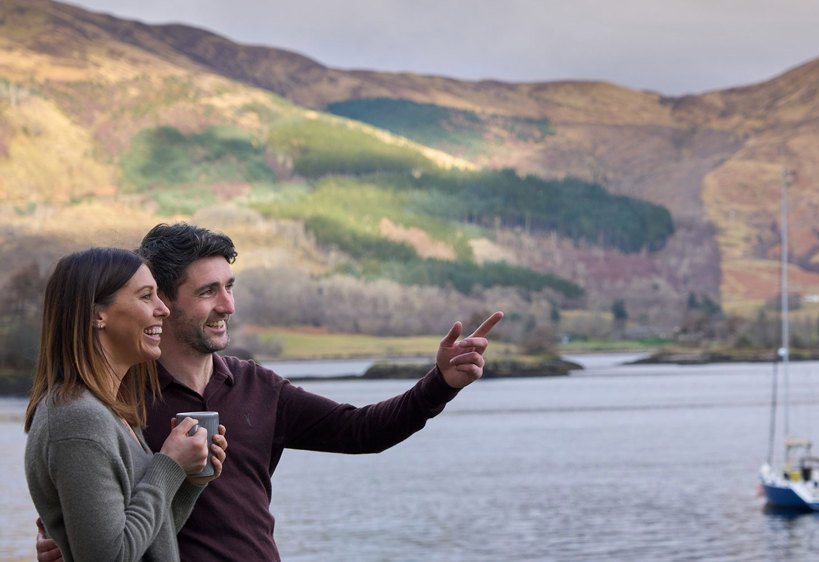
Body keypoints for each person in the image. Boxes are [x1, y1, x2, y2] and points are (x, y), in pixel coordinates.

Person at [37, 224, 503, 561]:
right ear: (164, 300)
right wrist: (71, 540)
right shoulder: (118, 397)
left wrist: (439, 384)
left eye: (230, 288)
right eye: (209, 292)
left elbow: (362, 431)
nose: (228, 305)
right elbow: (96, 518)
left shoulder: (259, 386)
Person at [24, 247, 229, 561]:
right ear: (97, 314)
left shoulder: (110, 411)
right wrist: (169, 464)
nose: (163, 309)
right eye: (146, 296)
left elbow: (149, 543)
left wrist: (190, 479)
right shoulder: (77, 418)